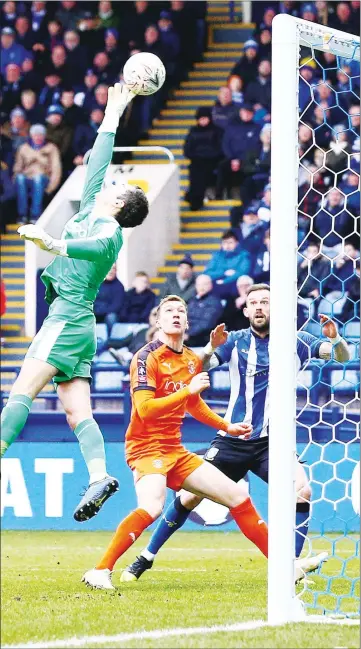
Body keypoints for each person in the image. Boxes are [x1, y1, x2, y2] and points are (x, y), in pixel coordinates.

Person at [123, 284, 350, 582]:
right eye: (253, 302)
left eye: (265, 302)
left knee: (302, 490)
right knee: (189, 498)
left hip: (273, 442)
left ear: (275, 308)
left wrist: (337, 339)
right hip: (233, 438)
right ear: (245, 311)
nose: (258, 307)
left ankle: (289, 568)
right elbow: (194, 369)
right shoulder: (236, 342)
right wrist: (209, 348)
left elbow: (342, 357)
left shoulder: (299, 341)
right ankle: (145, 557)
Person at [1, 84, 149, 525]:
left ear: (120, 203)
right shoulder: (91, 208)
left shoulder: (111, 234)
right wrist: (116, 109)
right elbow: (99, 155)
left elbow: (92, 247)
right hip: (76, 325)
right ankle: (100, 475)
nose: (110, 182)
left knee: (20, 392)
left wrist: (54, 243)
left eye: (118, 186)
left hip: (67, 320)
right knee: (75, 409)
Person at [82, 294, 268, 590]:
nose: (176, 314)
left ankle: (285, 568)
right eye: (168, 311)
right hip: (146, 448)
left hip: (175, 450)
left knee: (238, 497)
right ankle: (100, 570)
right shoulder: (146, 357)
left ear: (187, 321)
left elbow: (194, 405)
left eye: (181, 310)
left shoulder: (192, 360)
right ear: (158, 321)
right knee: (152, 506)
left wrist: (227, 426)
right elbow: (144, 409)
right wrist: (187, 391)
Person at [13, 124, 62, 224]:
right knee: (20, 178)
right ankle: (22, 215)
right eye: (35, 135)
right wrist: (15, 178)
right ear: (31, 135)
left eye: (40, 135)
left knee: (38, 179)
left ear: (44, 136)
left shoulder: (51, 148)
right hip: (27, 176)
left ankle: (35, 215)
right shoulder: (24, 148)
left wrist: (51, 187)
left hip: (43, 177)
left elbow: (56, 169)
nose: (38, 137)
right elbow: (18, 167)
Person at [216, 104, 261, 200]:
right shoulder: (232, 127)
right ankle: (219, 196)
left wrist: (241, 159)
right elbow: (226, 145)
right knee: (222, 167)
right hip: (232, 159)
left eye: (249, 113)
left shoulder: (257, 128)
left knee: (249, 169)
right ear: (240, 113)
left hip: (248, 160)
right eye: (245, 112)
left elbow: (256, 147)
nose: (246, 115)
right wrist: (233, 159)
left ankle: (246, 198)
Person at [183, 106, 223, 211]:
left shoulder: (217, 131)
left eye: (205, 118)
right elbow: (187, 150)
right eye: (201, 118)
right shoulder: (193, 131)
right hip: (197, 162)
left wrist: (206, 156)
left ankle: (195, 198)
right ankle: (195, 198)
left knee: (200, 172)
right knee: (195, 171)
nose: (203, 121)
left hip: (213, 162)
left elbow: (220, 149)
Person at [204, 230, 252, 298]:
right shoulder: (217, 255)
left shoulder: (244, 255)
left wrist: (224, 281)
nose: (227, 245)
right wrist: (224, 273)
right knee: (203, 279)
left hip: (235, 287)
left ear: (237, 243)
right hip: (216, 286)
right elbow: (207, 272)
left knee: (243, 280)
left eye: (230, 242)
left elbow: (242, 272)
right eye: (225, 243)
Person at [185, 274, 223, 347]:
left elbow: (206, 324)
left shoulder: (214, 302)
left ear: (210, 285)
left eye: (204, 284)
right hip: (187, 335)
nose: (201, 287)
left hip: (202, 338)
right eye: (199, 285)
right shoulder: (192, 299)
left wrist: (188, 334)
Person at [94, 263, 125, 335]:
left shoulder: (119, 286)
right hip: (94, 313)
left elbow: (116, 307)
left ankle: (110, 342)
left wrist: (99, 311)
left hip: (107, 315)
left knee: (112, 317)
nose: (111, 271)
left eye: (113, 268)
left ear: (116, 271)